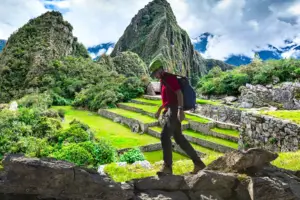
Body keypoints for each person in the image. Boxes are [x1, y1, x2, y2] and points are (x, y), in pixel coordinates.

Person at [149, 59, 206, 175]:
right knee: (179, 138)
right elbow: (168, 100)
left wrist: (180, 110)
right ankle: (199, 163)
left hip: (174, 110)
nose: (154, 75)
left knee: (165, 136)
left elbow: (179, 93)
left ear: (159, 69)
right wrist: (160, 110)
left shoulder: (169, 78)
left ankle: (167, 167)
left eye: (155, 72)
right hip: (171, 109)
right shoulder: (163, 80)